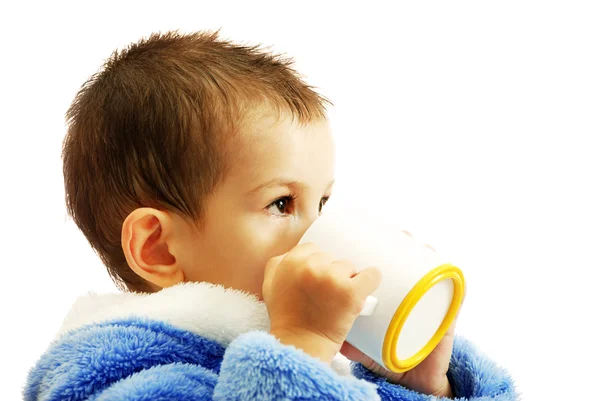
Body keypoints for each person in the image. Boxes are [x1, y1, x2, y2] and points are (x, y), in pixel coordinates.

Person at [24, 30, 517, 400]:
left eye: (321, 204)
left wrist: (423, 386)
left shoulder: (313, 362)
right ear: (158, 247)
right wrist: (301, 343)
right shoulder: (118, 371)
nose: (319, 235)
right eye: (281, 204)